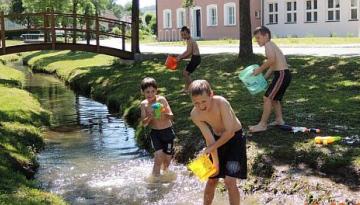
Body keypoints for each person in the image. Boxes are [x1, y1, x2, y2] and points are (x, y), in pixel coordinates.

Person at [189, 79, 247, 205]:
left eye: (203, 101)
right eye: (196, 103)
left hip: (235, 140)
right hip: (216, 140)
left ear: (211, 95)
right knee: (211, 179)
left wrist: (210, 148)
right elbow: (209, 139)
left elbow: (230, 132)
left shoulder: (221, 103)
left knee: (230, 181)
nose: (201, 106)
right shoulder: (195, 115)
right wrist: (215, 163)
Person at [249, 26, 292, 133]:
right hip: (282, 74)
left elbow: (271, 60)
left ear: (266, 36)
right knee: (274, 99)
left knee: (267, 98)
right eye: (256, 38)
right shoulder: (271, 45)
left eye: (258, 38)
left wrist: (259, 70)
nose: (257, 40)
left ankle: (262, 124)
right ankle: (279, 120)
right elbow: (273, 66)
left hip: (281, 75)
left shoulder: (268, 45)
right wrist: (264, 78)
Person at [140, 77, 176, 177]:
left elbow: (172, 116)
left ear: (156, 90)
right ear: (143, 92)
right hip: (155, 133)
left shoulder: (161, 100)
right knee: (158, 157)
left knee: (167, 160)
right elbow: (144, 123)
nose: (150, 94)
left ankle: (164, 176)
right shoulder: (144, 104)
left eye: (153, 91)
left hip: (167, 132)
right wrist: (150, 116)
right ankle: (155, 180)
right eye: (147, 92)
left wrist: (163, 112)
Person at [176, 26, 201, 93]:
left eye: (184, 34)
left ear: (189, 34)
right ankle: (186, 88)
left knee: (185, 73)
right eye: (182, 35)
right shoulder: (189, 40)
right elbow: (188, 53)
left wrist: (180, 57)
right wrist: (181, 57)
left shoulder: (190, 40)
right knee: (186, 73)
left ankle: (193, 89)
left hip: (196, 59)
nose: (183, 36)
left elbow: (188, 52)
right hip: (195, 58)